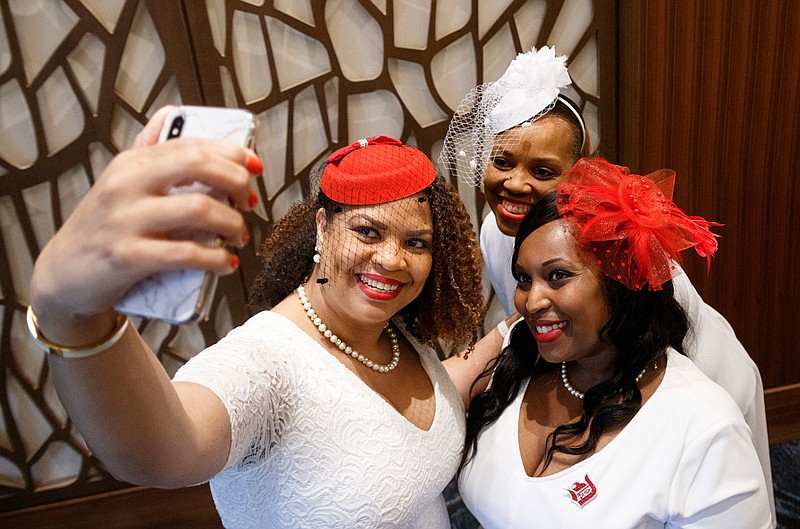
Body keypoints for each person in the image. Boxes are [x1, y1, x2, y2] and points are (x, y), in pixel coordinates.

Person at [27, 109, 487, 528]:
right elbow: (166, 452)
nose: (392, 260)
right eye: (367, 231)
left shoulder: (396, 328)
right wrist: (68, 311)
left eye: (416, 244)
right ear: (323, 228)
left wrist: (510, 331)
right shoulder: (265, 365)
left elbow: (397, 419)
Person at [438, 46, 775, 523]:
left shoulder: (630, 262)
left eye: (543, 171)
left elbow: (668, 359)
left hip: (700, 364)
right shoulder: (499, 230)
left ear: (577, 173)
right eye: (502, 161)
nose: (514, 185)